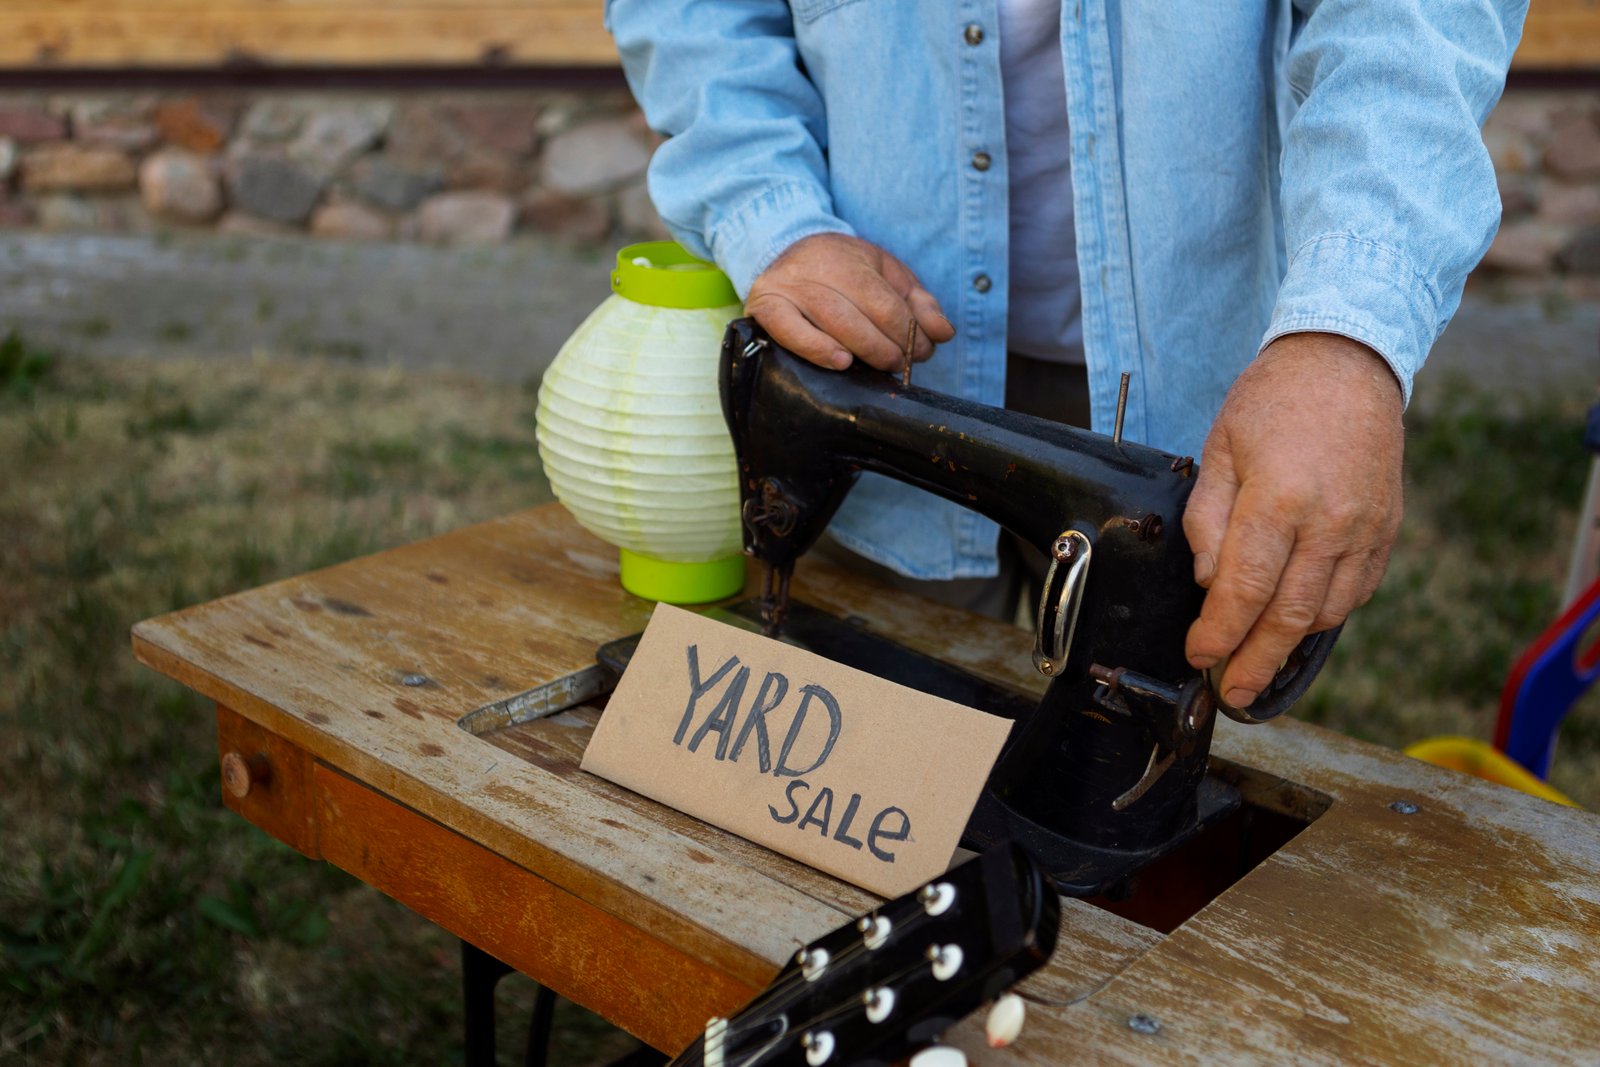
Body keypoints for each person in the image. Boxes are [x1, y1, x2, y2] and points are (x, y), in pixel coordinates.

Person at [606, 0, 1523, 713]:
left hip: (1199, 364)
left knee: (1148, 763)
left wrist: (1347, 333)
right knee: (857, 735)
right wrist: (771, 210)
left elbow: (1411, 21)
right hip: (877, 350)